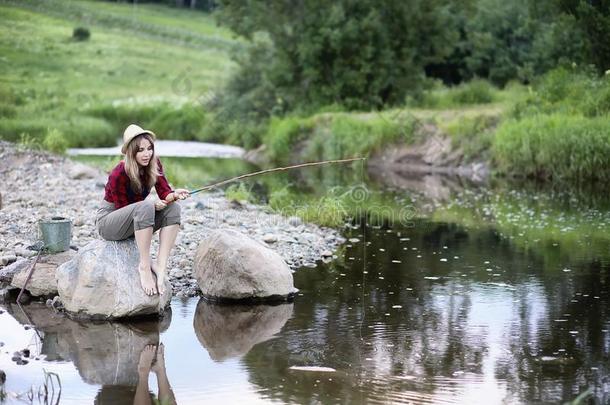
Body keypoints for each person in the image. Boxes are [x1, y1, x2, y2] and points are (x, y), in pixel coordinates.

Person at [96, 124, 190, 296]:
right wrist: (151, 206)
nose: (147, 154)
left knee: (174, 209)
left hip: (138, 218)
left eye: (149, 149)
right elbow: (123, 208)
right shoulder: (119, 173)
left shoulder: (154, 164)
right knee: (147, 204)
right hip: (110, 221)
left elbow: (164, 192)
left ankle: (161, 266)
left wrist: (174, 194)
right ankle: (144, 266)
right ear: (132, 152)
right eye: (141, 150)